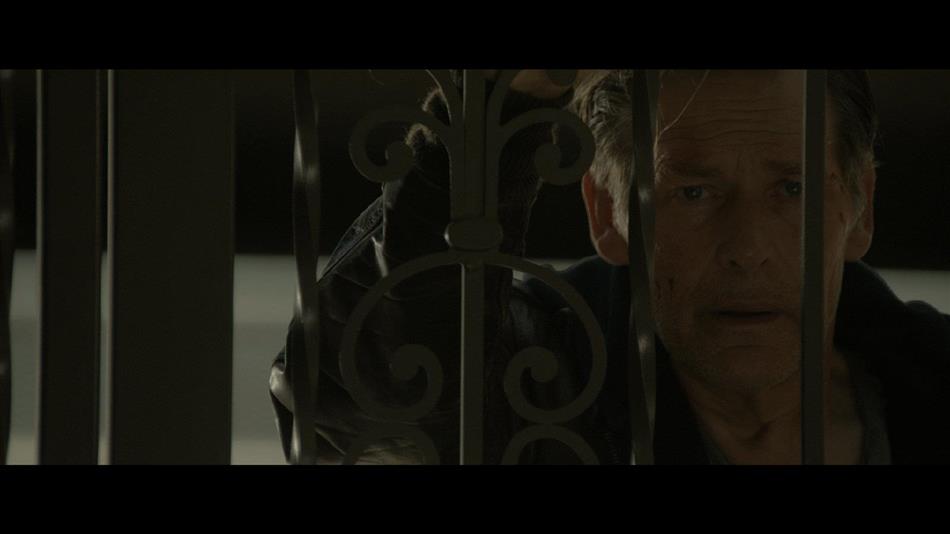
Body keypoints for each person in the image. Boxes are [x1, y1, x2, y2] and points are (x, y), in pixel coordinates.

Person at [269, 70, 950, 465]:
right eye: (693, 192)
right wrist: (500, 107)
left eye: (792, 189)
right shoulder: (546, 384)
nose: (747, 248)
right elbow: (381, 389)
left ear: (860, 208)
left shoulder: (931, 379)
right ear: (606, 212)